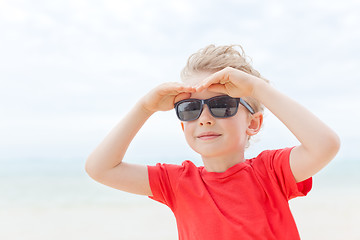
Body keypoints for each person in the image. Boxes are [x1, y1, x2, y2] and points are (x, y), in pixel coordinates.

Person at [85, 45, 340, 239]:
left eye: (221, 105)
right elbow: (100, 168)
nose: (204, 118)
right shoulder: (177, 183)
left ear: (253, 123)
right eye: (190, 108)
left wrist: (257, 88)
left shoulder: (271, 172)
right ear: (183, 125)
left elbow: (325, 145)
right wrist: (144, 107)